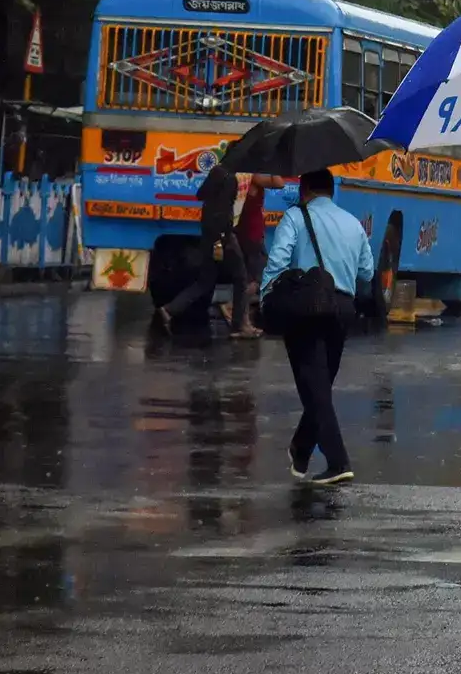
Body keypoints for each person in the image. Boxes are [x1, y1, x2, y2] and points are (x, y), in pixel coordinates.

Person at [261, 169, 374, 486]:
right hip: (343, 309)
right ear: (331, 190)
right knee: (321, 386)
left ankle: (338, 462)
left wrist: (265, 295)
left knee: (314, 388)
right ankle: (300, 448)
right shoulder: (353, 223)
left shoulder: (295, 218)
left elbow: (279, 258)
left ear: (305, 190)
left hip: (306, 308)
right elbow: (367, 271)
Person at [157, 164, 258, 338]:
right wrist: (224, 236)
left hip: (207, 232)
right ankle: (239, 326)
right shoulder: (233, 178)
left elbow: (200, 195)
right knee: (241, 279)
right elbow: (225, 211)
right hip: (223, 236)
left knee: (205, 281)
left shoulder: (217, 172)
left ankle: (169, 309)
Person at [222, 173, 286, 324]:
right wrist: (273, 165)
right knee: (261, 278)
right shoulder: (254, 178)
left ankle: (244, 320)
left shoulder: (239, 178)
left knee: (247, 277)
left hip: (243, 230)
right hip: (253, 233)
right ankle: (231, 306)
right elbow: (279, 182)